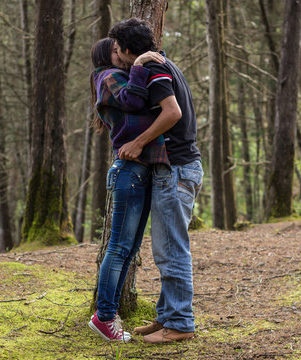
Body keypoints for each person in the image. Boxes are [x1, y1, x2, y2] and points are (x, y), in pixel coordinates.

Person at [108, 18, 203, 344]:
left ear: (128, 50)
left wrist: (137, 142)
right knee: (165, 247)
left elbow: (172, 112)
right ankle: (167, 316)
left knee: (171, 248)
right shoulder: (162, 64)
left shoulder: (153, 70)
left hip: (176, 169)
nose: (115, 56)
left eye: (118, 50)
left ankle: (180, 324)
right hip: (178, 168)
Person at [87, 38, 168, 342]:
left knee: (130, 249)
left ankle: (108, 314)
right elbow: (134, 101)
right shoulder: (108, 76)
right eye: (115, 50)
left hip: (140, 170)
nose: (121, 53)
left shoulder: (119, 75)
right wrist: (137, 65)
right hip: (129, 171)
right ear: (105, 56)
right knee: (119, 248)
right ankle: (105, 316)